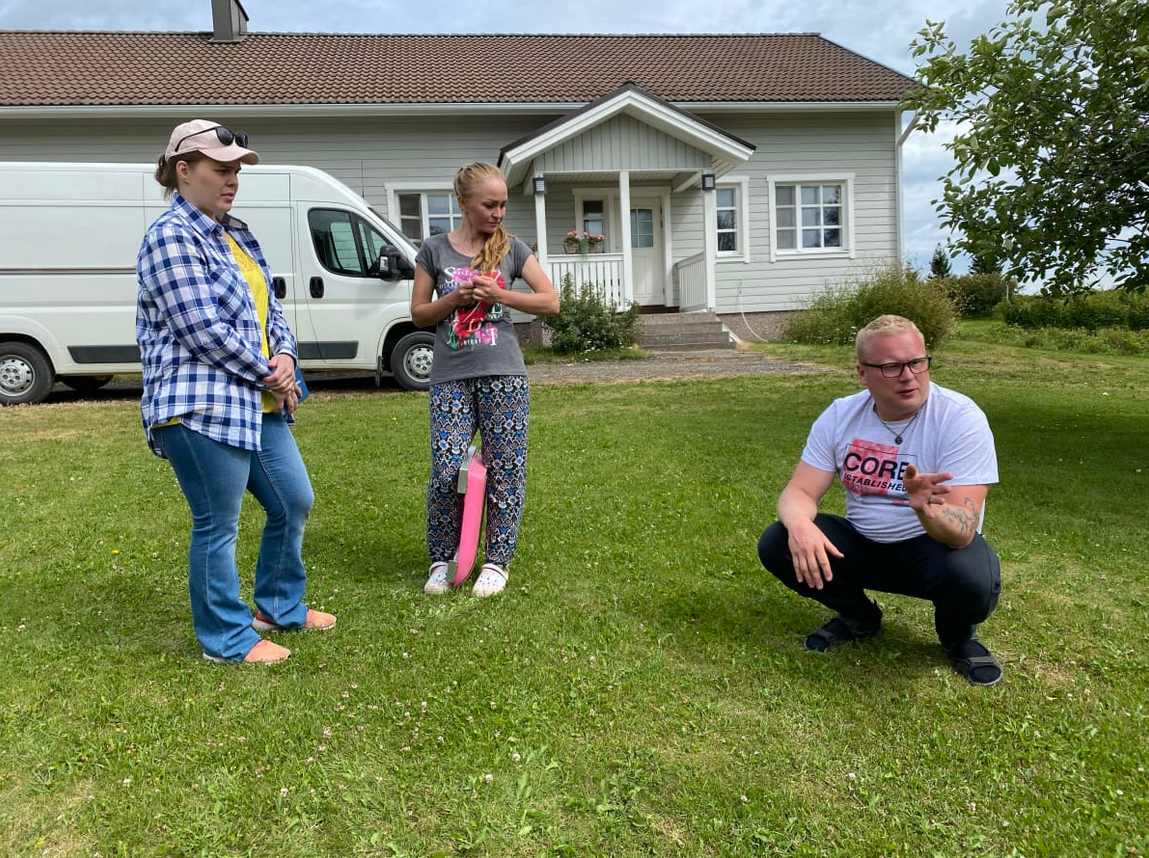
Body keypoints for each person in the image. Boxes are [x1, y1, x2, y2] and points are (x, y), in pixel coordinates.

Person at [136, 119, 335, 664]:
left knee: (293, 500)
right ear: (184, 170)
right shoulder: (170, 236)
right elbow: (200, 329)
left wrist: (287, 356)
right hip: (199, 406)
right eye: (221, 169)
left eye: (237, 171)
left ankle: (278, 607)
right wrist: (272, 372)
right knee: (217, 524)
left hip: (254, 400)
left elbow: (269, 309)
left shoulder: (234, 233)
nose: (233, 180)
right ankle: (225, 639)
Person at [757, 315, 1003, 685]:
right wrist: (799, 524)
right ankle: (860, 618)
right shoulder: (842, 414)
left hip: (932, 549)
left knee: (970, 575)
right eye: (891, 367)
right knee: (779, 541)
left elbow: (963, 532)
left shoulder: (960, 418)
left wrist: (927, 510)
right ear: (862, 373)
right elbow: (800, 492)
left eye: (917, 362)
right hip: (865, 544)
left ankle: (958, 638)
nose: (909, 376)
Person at [411, 162, 560, 598]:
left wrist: (501, 295)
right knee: (446, 469)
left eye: (503, 205)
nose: (498, 213)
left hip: (504, 375)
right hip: (451, 377)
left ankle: (496, 562)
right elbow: (418, 313)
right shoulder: (434, 250)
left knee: (505, 470)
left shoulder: (513, 249)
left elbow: (550, 302)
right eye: (489, 205)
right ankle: (444, 559)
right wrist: (453, 299)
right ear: (463, 203)